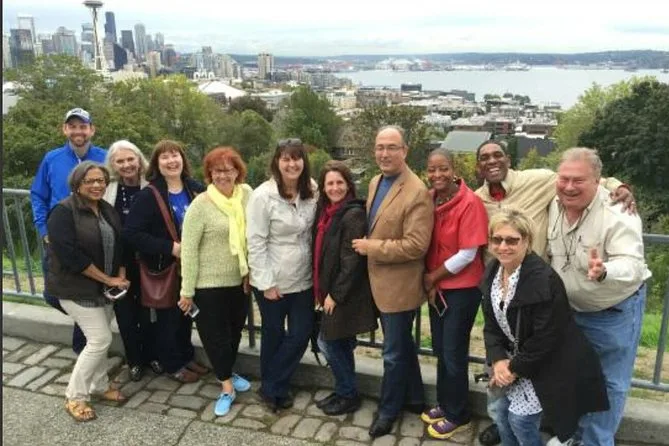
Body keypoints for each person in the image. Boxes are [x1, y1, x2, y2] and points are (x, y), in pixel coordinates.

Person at [473, 140, 635, 446]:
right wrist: (498, 360)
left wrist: (619, 186)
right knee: (502, 402)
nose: (492, 161)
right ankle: (503, 426)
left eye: (497, 155)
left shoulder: (539, 180)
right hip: (509, 304)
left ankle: (578, 437)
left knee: (536, 404)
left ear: (508, 159)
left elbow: (584, 178)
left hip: (537, 299)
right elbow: (491, 328)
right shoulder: (477, 201)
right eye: (484, 157)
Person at [546, 148, 651, 446]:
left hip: (612, 312)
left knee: (610, 383)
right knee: (575, 374)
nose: (569, 186)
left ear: (597, 180)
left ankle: (596, 442)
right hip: (569, 310)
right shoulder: (552, 202)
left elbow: (633, 264)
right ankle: (574, 435)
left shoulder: (618, 212)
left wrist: (605, 271)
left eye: (578, 180)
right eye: (564, 178)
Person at [482, 208, 609, 446]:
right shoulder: (492, 271)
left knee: (520, 420)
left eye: (512, 240)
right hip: (512, 360)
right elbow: (491, 323)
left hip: (545, 364)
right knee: (500, 413)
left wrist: (512, 369)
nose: (503, 246)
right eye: (497, 239)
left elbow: (547, 337)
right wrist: (498, 359)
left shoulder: (544, 280)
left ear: (527, 241)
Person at [352, 126, 433, 438]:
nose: (384, 154)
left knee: (392, 354)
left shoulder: (416, 191)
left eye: (391, 147)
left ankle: (388, 411)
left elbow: (416, 245)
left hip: (400, 288)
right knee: (401, 347)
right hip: (379, 283)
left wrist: (371, 248)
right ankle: (415, 398)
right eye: (379, 147)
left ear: (405, 151)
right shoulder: (376, 181)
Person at [46, 161, 129, 422]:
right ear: (77, 184)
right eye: (89, 181)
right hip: (74, 289)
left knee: (99, 338)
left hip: (104, 289)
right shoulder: (63, 212)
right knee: (100, 339)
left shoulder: (106, 209)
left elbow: (120, 244)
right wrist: (107, 278)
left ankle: (99, 386)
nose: (96, 185)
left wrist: (120, 274)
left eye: (101, 180)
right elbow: (71, 256)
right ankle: (75, 396)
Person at [123, 140, 207, 383]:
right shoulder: (149, 195)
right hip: (166, 267)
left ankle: (186, 356)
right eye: (165, 157)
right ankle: (173, 364)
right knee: (169, 319)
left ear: (183, 159)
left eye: (175, 155)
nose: (172, 161)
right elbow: (131, 233)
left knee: (187, 314)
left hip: (192, 266)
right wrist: (170, 247)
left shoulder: (194, 188)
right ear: (156, 164)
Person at [177, 147, 253, 417]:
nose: (223, 175)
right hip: (207, 285)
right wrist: (187, 291)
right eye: (217, 170)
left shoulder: (247, 195)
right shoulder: (200, 205)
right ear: (209, 173)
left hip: (240, 281)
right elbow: (188, 250)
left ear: (237, 171)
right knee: (215, 337)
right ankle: (226, 386)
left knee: (234, 333)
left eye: (228, 169)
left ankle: (227, 371)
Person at [420, 148, 489, 439]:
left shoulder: (470, 203)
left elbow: (467, 253)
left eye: (443, 168)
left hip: (461, 289)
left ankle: (458, 414)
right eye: (432, 169)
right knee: (440, 349)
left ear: (454, 169)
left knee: (453, 352)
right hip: (438, 288)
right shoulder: (430, 199)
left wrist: (432, 277)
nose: (437, 175)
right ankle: (445, 403)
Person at [246, 138, 318, 412]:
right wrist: (266, 283)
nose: (291, 164)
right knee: (273, 333)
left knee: (301, 333)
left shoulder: (312, 189)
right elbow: (255, 242)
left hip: (303, 277)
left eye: (296, 158)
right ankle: (277, 389)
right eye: (286, 158)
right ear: (277, 162)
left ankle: (270, 385)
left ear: (303, 161)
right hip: (273, 278)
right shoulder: (262, 196)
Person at [31, 107, 106, 354]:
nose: (78, 131)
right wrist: (44, 229)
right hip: (58, 240)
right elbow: (38, 195)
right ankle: (87, 333)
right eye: (72, 126)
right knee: (53, 294)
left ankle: (82, 348)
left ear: (92, 129)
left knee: (87, 293)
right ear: (65, 129)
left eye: (83, 126)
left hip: (93, 239)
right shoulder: (52, 158)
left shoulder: (104, 157)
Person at [312, 160, 378, 416]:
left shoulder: (353, 215)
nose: (335, 188)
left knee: (329, 342)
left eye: (340, 182)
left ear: (349, 185)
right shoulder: (326, 212)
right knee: (338, 343)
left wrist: (335, 295)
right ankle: (343, 390)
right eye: (330, 183)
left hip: (344, 294)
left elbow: (351, 261)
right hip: (329, 290)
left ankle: (348, 394)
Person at [102, 140, 162, 382]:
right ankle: (134, 360)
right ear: (113, 164)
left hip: (149, 261)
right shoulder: (108, 188)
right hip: (119, 264)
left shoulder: (153, 185)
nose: (126, 165)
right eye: (120, 161)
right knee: (126, 315)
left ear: (139, 159)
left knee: (150, 312)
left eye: (130, 159)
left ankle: (153, 355)